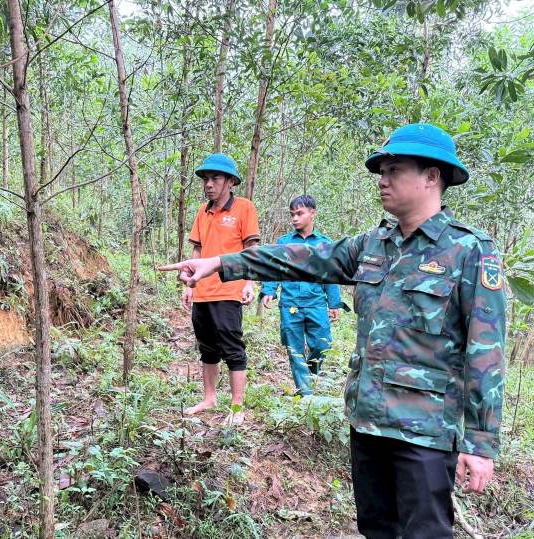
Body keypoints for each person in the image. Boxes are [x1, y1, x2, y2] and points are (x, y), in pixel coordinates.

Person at [161, 124, 505, 537]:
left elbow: (486, 355)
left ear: (432, 176)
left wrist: (480, 445)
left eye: (394, 169)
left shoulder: (470, 251)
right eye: (382, 170)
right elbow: (301, 258)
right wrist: (221, 264)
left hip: (425, 433)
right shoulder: (373, 246)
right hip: (367, 422)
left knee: (425, 533)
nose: (383, 179)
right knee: (376, 528)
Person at [183, 153, 260, 425]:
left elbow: (252, 249)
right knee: (206, 347)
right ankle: (209, 397)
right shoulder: (202, 212)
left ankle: (237, 407)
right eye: (206, 179)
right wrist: (190, 282)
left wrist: (249, 282)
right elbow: (198, 249)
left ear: (230, 181)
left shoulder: (244, 208)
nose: (209, 184)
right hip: (202, 290)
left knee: (232, 347)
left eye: (215, 178)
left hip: (229, 290)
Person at [260, 195, 342, 395]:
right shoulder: (284, 242)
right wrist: (269, 290)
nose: (294, 218)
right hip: (290, 304)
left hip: (316, 304)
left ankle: (310, 377)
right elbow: (274, 269)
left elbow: (330, 275)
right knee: (294, 348)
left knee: (322, 345)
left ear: (312, 213)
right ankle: (305, 392)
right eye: (292, 215)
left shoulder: (324, 243)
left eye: (299, 214)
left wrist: (334, 303)